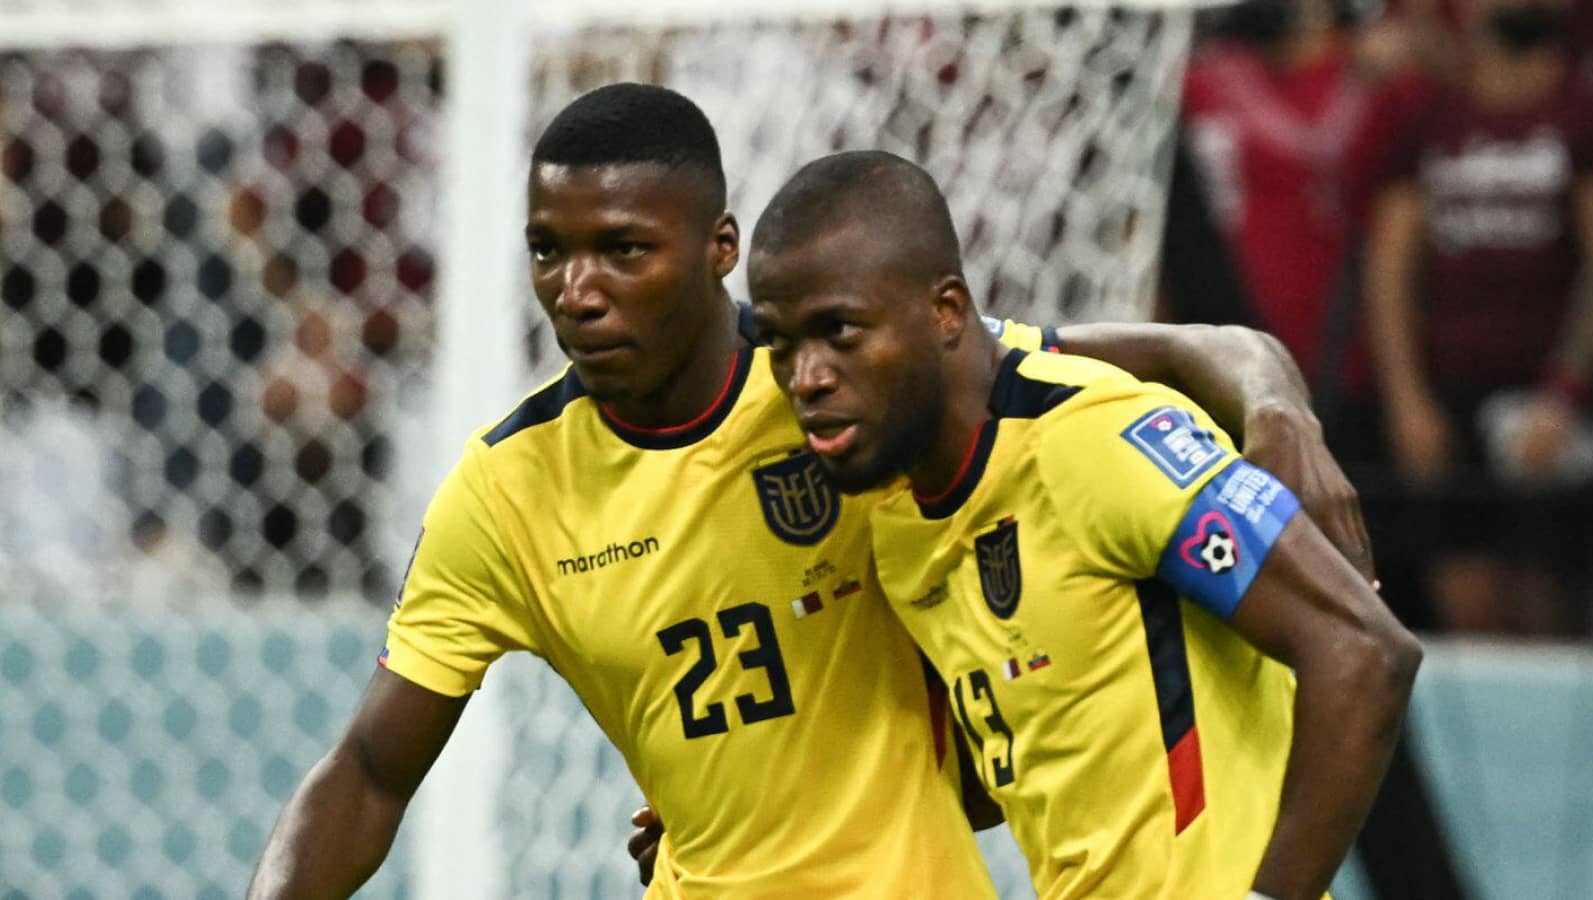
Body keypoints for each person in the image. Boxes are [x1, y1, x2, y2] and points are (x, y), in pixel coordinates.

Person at [249, 84, 1377, 898]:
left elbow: (1115, 364)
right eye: (550, 251)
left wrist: (1272, 396)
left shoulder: (856, 384)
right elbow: (368, 771)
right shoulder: (505, 493)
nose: (578, 290)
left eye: (624, 250)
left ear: (716, 247)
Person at [747, 150, 1421, 900]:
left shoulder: (1093, 441)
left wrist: (1278, 412)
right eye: (781, 344)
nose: (806, 377)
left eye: (839, 331)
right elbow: (1004, 774)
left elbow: (1364, 652)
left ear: (946, 313)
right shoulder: (899, 523)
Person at [1365, 0, 1593, 635]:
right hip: (1451, 391)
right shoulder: (1433, 117)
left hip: (1546, 394)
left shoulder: (1581, 112)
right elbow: (1389, 270)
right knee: (1468, 614)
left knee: (1548, 611)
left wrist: (1565, 395)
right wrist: (1407, 401)